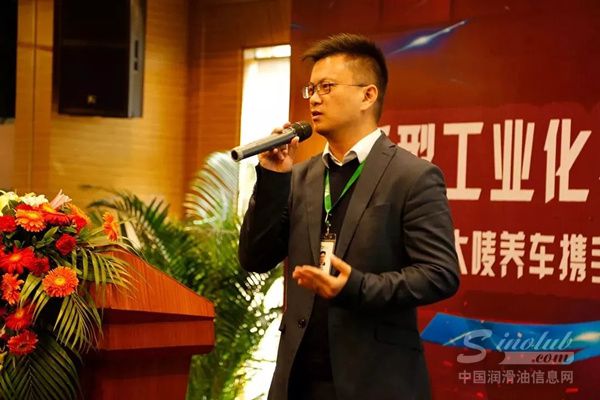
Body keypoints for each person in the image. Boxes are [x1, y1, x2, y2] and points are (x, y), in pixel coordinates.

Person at [238, 33, 459, 400]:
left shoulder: (412, 176)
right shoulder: (300, 177)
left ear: (367, 95)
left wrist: (356, 287)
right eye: (311, 89)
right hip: (299, 381)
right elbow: (254, 259)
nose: (315, 99)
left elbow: (440, 274)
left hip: (376, 381)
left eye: (326, 87)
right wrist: (273, 179)